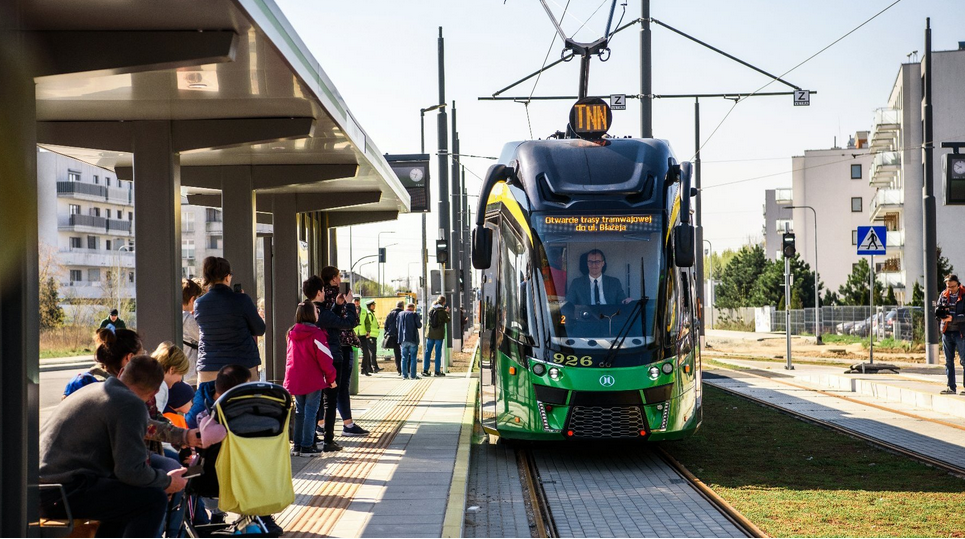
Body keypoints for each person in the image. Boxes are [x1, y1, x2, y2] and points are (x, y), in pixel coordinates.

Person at [40, 355, 187, 538]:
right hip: (64, 492)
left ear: (122, 372)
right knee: (153, 499)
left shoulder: (94, 390)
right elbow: (131, 471)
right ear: (154, 393)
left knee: (126, 498)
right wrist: (167, 481)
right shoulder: (130, 404)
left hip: (44, 490)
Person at [190, 257, 265, 434]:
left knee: (208, 415)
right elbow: (260, 329)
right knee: (245, 413)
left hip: (209, 367)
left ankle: (212, 453)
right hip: (242, 367)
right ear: (227, 276)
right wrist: (246, 307)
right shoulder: (241, 300)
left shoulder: (199, 303)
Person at [284, 301, 337, 457]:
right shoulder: (317, 334)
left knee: (300, 411)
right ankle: (307, 446)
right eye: (316, 311)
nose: (318, 313)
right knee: (311, 412)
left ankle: (298, 446)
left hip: (295, 378)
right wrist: (331, 378)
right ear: (310, 314)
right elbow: (326, 359)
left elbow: (289, 358)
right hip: (312, 379)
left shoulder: (291, 333)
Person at [565, 249, 634, 306]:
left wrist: (626, 301)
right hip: (586, 319)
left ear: (603, 263)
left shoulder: (614, 282)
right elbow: (568, 304)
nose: (594, 265)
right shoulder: (577, 283)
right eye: (590, 262)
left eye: (597, 262)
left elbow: (622, 301)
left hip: (610, 318)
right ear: (587, 264)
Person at [938, 274, 965, 395]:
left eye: (952, 286)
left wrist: (952, 318)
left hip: (961, 333)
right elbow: (938, 309)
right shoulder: (944, 295)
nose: (950, 289)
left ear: (958, 284)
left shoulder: (964, 295)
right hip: (947, 332)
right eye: (948, 286)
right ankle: (951, 387)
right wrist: (940, 315)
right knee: (948, 361)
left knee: (964, 361)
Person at [150, 341, 190, 414]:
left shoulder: (147, 378)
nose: (180, 380)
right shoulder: (160, 386)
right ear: (172, 369)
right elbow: (154, 418)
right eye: (180, 373)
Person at [182, 278, 203, 386]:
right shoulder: (188, 320)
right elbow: (204, 337)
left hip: (183, 375)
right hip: (191, 377)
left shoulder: (177, 317)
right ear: (192, 299)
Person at [423, 296, 450, 377]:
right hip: (439, 335)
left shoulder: (431, 309)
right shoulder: (442, 311)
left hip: (430, 334)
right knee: (438, 353)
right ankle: (437, 371)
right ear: (444, 302)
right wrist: (447, 312)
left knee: (428, 352)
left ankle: (425, 370)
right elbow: (447, 320)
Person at [397, 303, 422, 380]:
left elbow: (397, 325)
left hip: (403, 339)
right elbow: (419, 325)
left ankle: (404, 376)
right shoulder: (414, 315)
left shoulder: (400, 314)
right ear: (413, 308)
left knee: (404, 358)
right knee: (413, 358)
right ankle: (413, 376)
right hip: (413, 339)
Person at [358, 299, 380, 375]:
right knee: (371, 352)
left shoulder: (368, 313)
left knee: (368, 352)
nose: (374, 306)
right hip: (368, 335)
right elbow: (369, 324)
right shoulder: (369, 314)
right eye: (373, 305)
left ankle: (367, 369)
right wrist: (369, 333)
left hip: (368, 335)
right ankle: (372, 367)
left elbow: (369, 324)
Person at [383, 301, 404, 375]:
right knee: (404, 353)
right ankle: (405, 369)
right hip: (402, 336)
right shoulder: (403, 314)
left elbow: (386, 326)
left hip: (392, 336)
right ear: (402, 306)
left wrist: (386, 334)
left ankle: (399, 370)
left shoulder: (390, 314)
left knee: (397, 353)